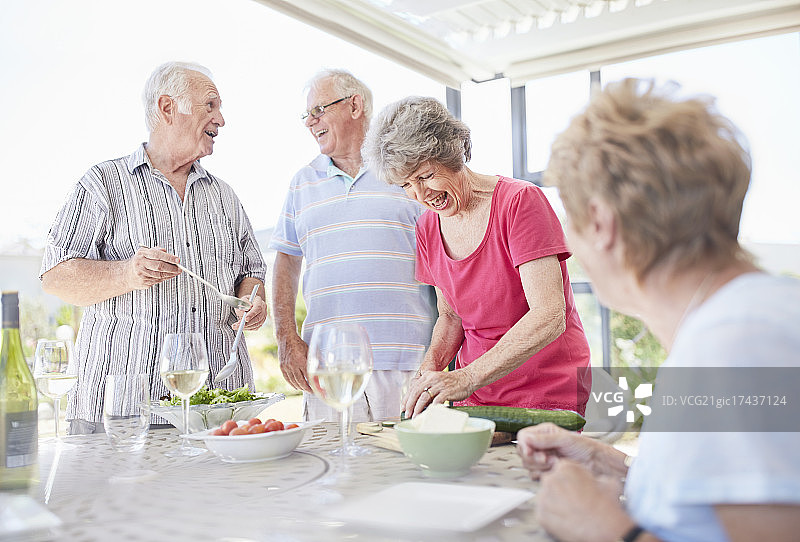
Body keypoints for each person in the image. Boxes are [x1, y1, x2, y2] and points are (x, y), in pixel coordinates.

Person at [516, 79, 800, 542]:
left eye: (570, 217)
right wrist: (619, 468)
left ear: (603, 224)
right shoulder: (739, 321)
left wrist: (605, 529)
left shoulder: (736, 344)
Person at [40, 61, 267, 434]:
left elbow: (251, 270)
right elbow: (55, 276)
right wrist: (127, 273)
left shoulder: (224, 195)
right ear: (167, 108)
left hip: (218, 411)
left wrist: (250, 300)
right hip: (122, 411)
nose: (221, 120)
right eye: (210, 106)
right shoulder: (103, 184)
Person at [363, 96, 592, 418]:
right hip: (477, 397)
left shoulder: (520, 202)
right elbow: (451, 317)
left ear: (451, 154)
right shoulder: (428, 226)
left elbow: (550, 315)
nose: (420, 195)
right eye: (406, 185)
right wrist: (428, 374)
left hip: (547, 391)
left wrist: (467, 377)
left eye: (426, 176)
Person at [269, 69, 436, 422]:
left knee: (407, 472)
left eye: (318, 110)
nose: (310, 122)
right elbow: (285, 260)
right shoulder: (301, 183)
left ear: (355, 105)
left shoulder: (405, 170)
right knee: (333, 473)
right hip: (329, 369)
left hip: (408, 366)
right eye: (307, 115)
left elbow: (446, 258)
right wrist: (286, 338)